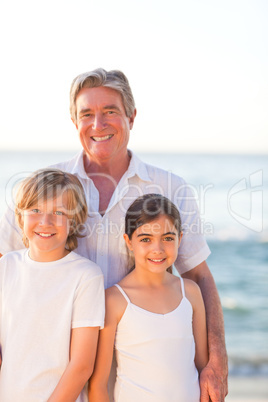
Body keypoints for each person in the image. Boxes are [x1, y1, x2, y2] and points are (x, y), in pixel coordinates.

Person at [0, 68, 227, 401]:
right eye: (86, 114)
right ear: (74, 121)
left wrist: (216, 363)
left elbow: (198, 276)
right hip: (56, 377)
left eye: (110, 112)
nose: (97, 124)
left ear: (131, 117)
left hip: (139, 377)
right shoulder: (48, 188)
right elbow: (7, 262)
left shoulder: (171, 188)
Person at [88, 194, 208, 402]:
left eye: (168, 238)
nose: (158, 249)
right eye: (146, 239)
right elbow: (98, 384)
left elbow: (203, 366)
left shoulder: (190, 292)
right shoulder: (115, 300)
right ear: (129, 241)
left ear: (179, 239)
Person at [0, 169, 105, 401]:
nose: (45, 222)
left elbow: (82, 365)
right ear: (20, 217)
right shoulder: (6, 266)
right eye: (35, 210)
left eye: (58, 212)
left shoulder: (86, 276)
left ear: (74, 220)